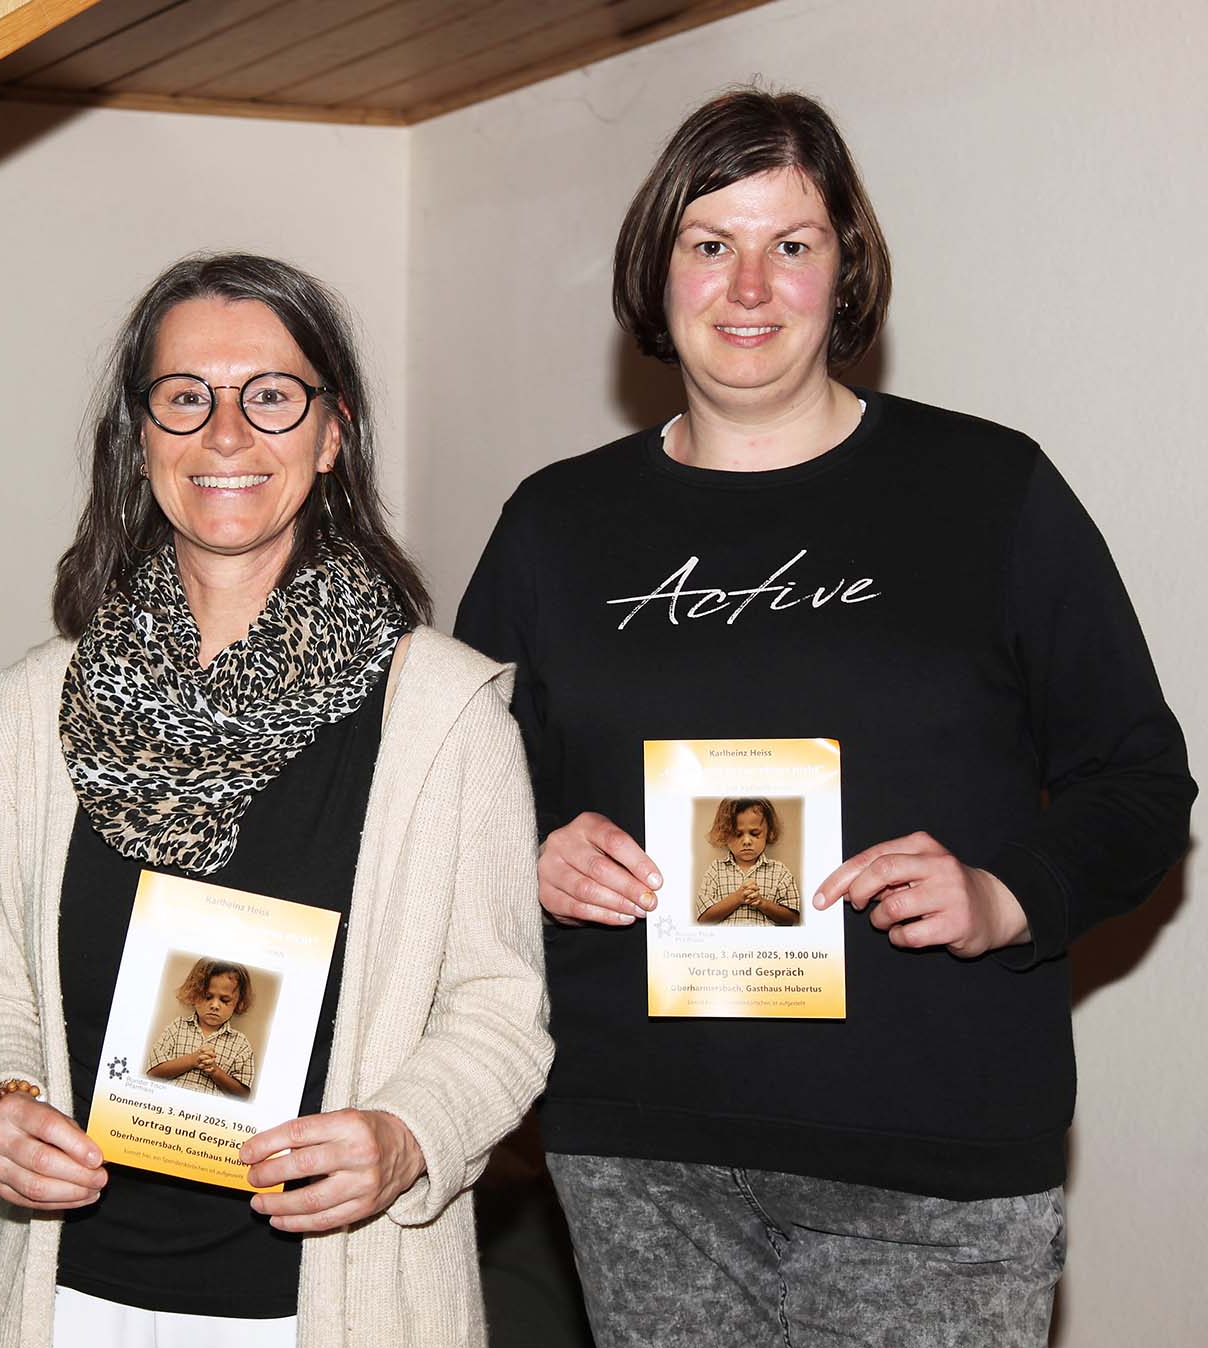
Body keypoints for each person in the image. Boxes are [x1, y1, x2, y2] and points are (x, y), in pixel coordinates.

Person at [455, 88, 1194, 1345]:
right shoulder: (552, 527)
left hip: (934, 1157)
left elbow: (1136, 780)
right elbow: (452, 803)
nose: (748, 286)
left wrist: (1003, 895)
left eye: (789, 244)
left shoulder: (988, 491)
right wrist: (527, 855)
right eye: (709, 243)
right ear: (655, 271)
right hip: (645, 1152)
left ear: (842, 269)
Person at [0, 253, 551, 1348]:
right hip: (67, 1301)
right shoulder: (37, 708)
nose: (225, 434)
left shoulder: (443, 715)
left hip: (333, 1306)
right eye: (185, 397)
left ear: (330, 435)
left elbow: (499, 1009)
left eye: (270, 396)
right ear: (140, 435)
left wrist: (407, 1135)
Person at [145, 958, 256, 1097]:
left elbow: (243, 1095)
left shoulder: (240, 1043)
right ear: (194, 995)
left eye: (225, 1000)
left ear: (238, 1002)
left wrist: (215, 1071)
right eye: (207, 997)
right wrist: (192, 1060)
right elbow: (153, 1072)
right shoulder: (177, 1027)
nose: (215, 1005)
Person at [693, 798, 798, 926]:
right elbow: (704, 919)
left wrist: (762, 903)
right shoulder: (716, 870)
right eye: (737, 834)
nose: (747, 841)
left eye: (755, 833)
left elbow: (793, 919)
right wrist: (737, 898)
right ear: (725, 835)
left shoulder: (779, 871)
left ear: (768, 832)